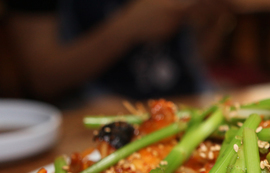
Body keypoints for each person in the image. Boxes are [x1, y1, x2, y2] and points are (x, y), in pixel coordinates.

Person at [5, 0, 231, 102]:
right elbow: (42, 78)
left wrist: (211, 20)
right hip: (97, 111)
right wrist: (128, 27)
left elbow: (199, 57)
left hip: (191, 102)